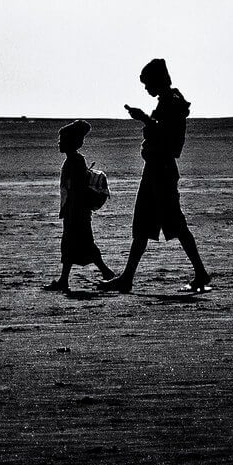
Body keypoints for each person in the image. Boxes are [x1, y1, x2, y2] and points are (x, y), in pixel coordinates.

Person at [99, 59, 211, 293]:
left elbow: (166, 136)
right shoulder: (170, 102)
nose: (146, 89)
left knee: (174, 224)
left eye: (148, 83)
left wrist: (144, 119)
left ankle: (199, 273)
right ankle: (127, 278)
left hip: (161, 170)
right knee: (144, 224)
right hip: (156, 170)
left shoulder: (171, 103)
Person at [43, 119, 116, 291]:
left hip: (76, 212)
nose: (59, 143)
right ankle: (68, 279)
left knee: (78, 244)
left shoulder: (75, 161)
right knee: (76, 244)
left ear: (70, 142)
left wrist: (71, 211)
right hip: (74, 211)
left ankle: (104, 273)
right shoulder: (74, 160)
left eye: (62, 140)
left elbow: (76, 189)